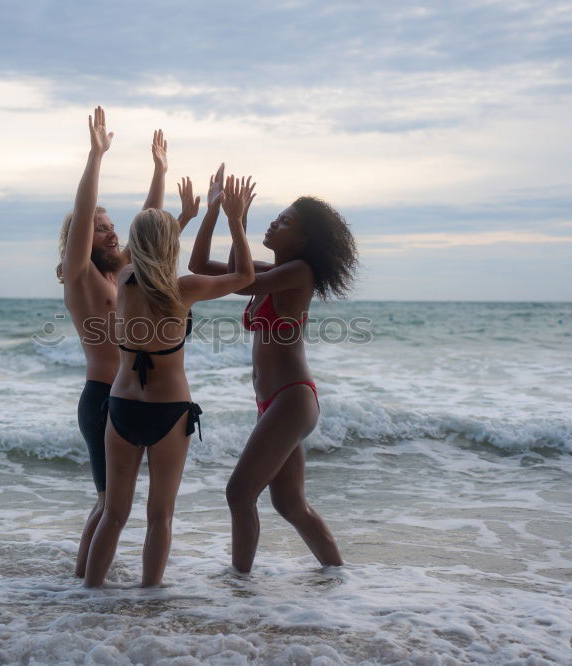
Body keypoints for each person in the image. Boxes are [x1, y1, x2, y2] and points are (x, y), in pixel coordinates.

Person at [81, 118, 256, 589]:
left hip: (120, 407)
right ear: (171, 246)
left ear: (135, 248)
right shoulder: (186, 289)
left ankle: (87, 600)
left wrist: (184, 216)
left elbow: (148, 246)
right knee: (160, 516)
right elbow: (243, 277)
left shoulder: (122, 281)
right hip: (168, 410)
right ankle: (149, 600)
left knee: (114, 515)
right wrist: (233, 220)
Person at [188, 169, 358, 573]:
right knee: (290, 504)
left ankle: (239, 584)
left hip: (291, 399)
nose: (274, 224)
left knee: (238, 493)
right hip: (275, 402)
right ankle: (339, 578)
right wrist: (223, 214)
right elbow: (203, 266)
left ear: (302, 241)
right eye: (276, 218)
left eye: (284, 223)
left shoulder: (299, 273)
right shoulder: (269, 271)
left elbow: (241, 284)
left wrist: (236, 221)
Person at [57, 108, 173, 578]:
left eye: (111, 226)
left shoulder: (119, 272)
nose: (110, 230)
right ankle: (84, 588)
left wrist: (159, 171)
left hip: (130, 397)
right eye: (102, 227)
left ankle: (83, 585)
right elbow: (84, 212)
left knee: (111, 505)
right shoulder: (82, 275)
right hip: (102, 397)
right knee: (109, 505)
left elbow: (149, 225)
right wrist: (95, 156)